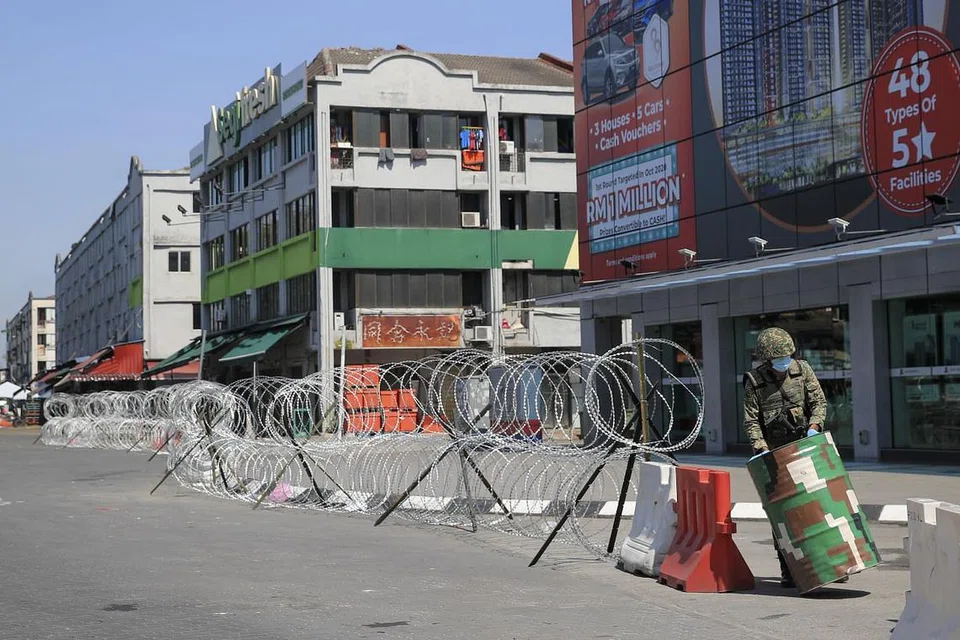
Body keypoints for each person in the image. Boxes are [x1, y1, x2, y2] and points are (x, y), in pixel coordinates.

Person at [743, 326, 846, 589]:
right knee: (784, 515)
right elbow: (751, 420)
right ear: (766, 359)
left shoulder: (802, 370)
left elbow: (819, 403)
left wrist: (815, 428)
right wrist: (760, 447)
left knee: (819, 505)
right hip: (774, 454)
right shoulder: (755, 382)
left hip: (804, 446)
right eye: (778, 360)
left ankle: (831, 563)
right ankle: (789, 569)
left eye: (786, 357)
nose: (783, 363)